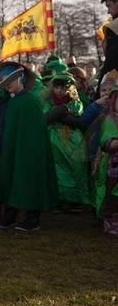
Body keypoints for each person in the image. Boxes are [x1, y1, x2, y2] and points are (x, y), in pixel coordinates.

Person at [0, 61, 59, 231]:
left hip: (27, 152)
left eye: (9, 80)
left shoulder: (30, 102)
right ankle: (11, 214)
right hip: (8, 150)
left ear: (19, 78)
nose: (6, 85)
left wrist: (25, 148)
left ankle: (32, 217)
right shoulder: (7, 102)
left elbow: (33, 133)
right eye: (3, 81)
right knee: (10, 180)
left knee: (27, 179)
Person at [42, 73, 89, 213]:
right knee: (55, 167)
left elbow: (78, 120)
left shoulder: (75, 102)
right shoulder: (48, 102)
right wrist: (62, 111)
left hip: (72, 138)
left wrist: (57, 114)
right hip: (53, 137)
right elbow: (45, 118)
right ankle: (57, 200)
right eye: (57, 87)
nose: (60, 91)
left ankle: (74, 200)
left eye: (63, 88)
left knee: (75, 166)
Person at [93, 89, 118, 235]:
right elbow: (107, 139)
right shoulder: (111, 120)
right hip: (114, 167)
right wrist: (112, 142)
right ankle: (111, 224)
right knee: (112, 197)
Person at [99, 0, 118, 84]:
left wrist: (107, 83)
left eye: (109, 6)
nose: (108, 11)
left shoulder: (115, 27)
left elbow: (112, 62)